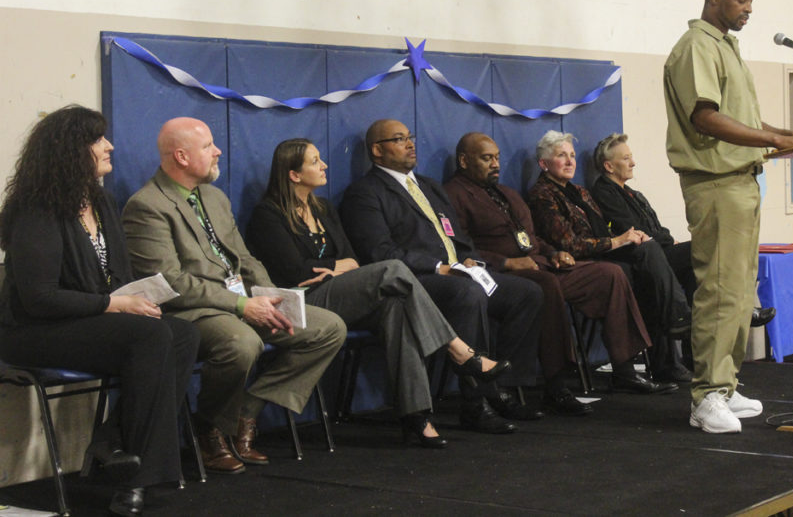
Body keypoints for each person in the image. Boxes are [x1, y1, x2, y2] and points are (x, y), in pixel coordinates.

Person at [0, 106, 200, 517]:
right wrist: (114, 303)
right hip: (34, 331)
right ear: (71, 150)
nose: (109, 145)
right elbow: (39, 298)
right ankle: (134, 478)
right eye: (97, 139)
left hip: (89, 322)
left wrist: (133, 299)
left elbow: (117, 276)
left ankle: (111, 442)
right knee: (150, 336)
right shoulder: (36, 210)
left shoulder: (102, 201)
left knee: (183, 333)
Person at [245, 138, 511, 448]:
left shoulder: (324, 209)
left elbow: (353, 260)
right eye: (316, 161)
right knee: (392, 268)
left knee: (397, 308)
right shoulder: (269, 214)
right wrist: (335, 266)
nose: (325, 165)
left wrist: (334, 267)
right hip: (303, 302)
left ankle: (417, 417)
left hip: (340, 294)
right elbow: (295, 273)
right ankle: (458, 349)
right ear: (293, 174)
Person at [122, 118, 346, 472]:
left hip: (243, 301)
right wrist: (242, 305)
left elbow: (243, 258)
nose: (218, 151)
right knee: (241, 343)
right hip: (195, 311)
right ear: (181, 156)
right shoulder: (147, 206)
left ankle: (246, 413)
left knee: (328, 327)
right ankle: (209, 428)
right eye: (209, 145)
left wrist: (275, 296)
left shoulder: (214, 196)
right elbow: (171, 283)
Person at [663, 0, 793, 433]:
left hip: (741, 181)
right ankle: (706, 396)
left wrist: (788, 135)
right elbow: (706, 118)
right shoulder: (695, 48)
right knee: (719, 291)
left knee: (740, 291)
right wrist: (773, 141)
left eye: (751, 0)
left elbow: (742, 118)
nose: (749, 8)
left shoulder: (724, 47)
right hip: (715, 184)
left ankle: (725, 385)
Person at [340, 119, 544, 434]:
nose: (409, 144)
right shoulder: (365, 194)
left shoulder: (430, 186)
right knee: (466, 293)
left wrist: (471, 262)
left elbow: (458, 239)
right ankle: (474, 405)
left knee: (526, 293)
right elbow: (379, 254)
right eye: (398, 139)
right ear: (377, 150)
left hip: (458, 271)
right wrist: (440, 267)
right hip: (416, 280)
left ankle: (499, 389)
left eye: (410, 137)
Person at [445, 132, 659, 411]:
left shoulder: (506, 193)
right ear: (463, 160)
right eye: (487, 159)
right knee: (545, 285)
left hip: (540, 261)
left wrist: (553, 252)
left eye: (497, 158)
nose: (495, 164)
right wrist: (506, 263)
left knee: (610, 274)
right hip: (503, 274)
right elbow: (460, 248)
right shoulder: (454, 194)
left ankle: (624, 368)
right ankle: (556, 384)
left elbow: (531, 238)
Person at [526, 130, 690, 388]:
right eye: (561, 156)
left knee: (651, 257)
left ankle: (671, 353)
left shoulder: (580, 192)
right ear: (544, 164)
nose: (570, 161)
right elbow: (569, 245)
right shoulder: (542, 195)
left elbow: (603, 230)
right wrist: (617, 241)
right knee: (640, 261)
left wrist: (625, 238)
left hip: (603, 255)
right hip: (574, 264)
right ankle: (668, 331)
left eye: (571, 155)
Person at [589, 133, 776, 329]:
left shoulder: (634, 194)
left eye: (631, 157)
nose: (633, 163)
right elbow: (632, 230)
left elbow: (656, 228)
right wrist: (668, 240)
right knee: (707, 249)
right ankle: (736, 311)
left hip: (659, 251)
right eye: (626, 158)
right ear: (609, 166)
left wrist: (669, 240)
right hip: (640, 259)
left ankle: (698, 336)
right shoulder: (604, 191)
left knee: (696, 270)